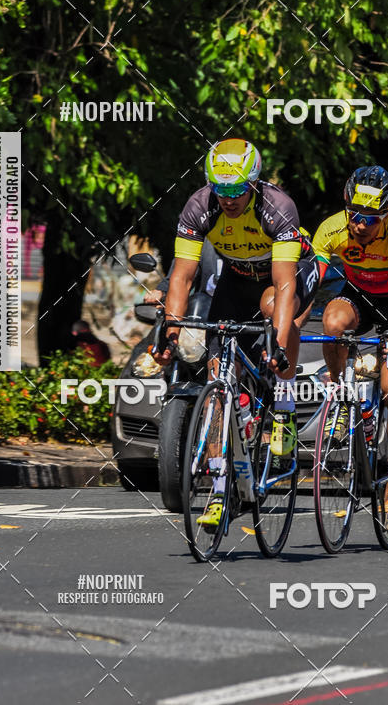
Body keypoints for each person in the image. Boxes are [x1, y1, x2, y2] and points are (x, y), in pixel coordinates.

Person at [152, 138, 318, 530]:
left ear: (255, 183)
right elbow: (182, 275)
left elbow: (284, 285)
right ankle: (218, 486)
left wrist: (277, 346)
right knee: (217, 382)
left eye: (237, 190)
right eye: (220, 188)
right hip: (237, 277)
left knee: (274, 310)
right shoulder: (199, 205)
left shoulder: (278, 208)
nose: (227, 198)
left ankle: (285, 405)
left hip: (287, 276)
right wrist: (170, 333)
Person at [311, 165, 388, 537]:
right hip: (359, 294)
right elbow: (310, 284)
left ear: (387, 214)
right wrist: (289, 326)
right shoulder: (330, 228)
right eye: (355, 216)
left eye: (371, 219)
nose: (360, 225)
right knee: (332, 323)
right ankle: (342, 398)